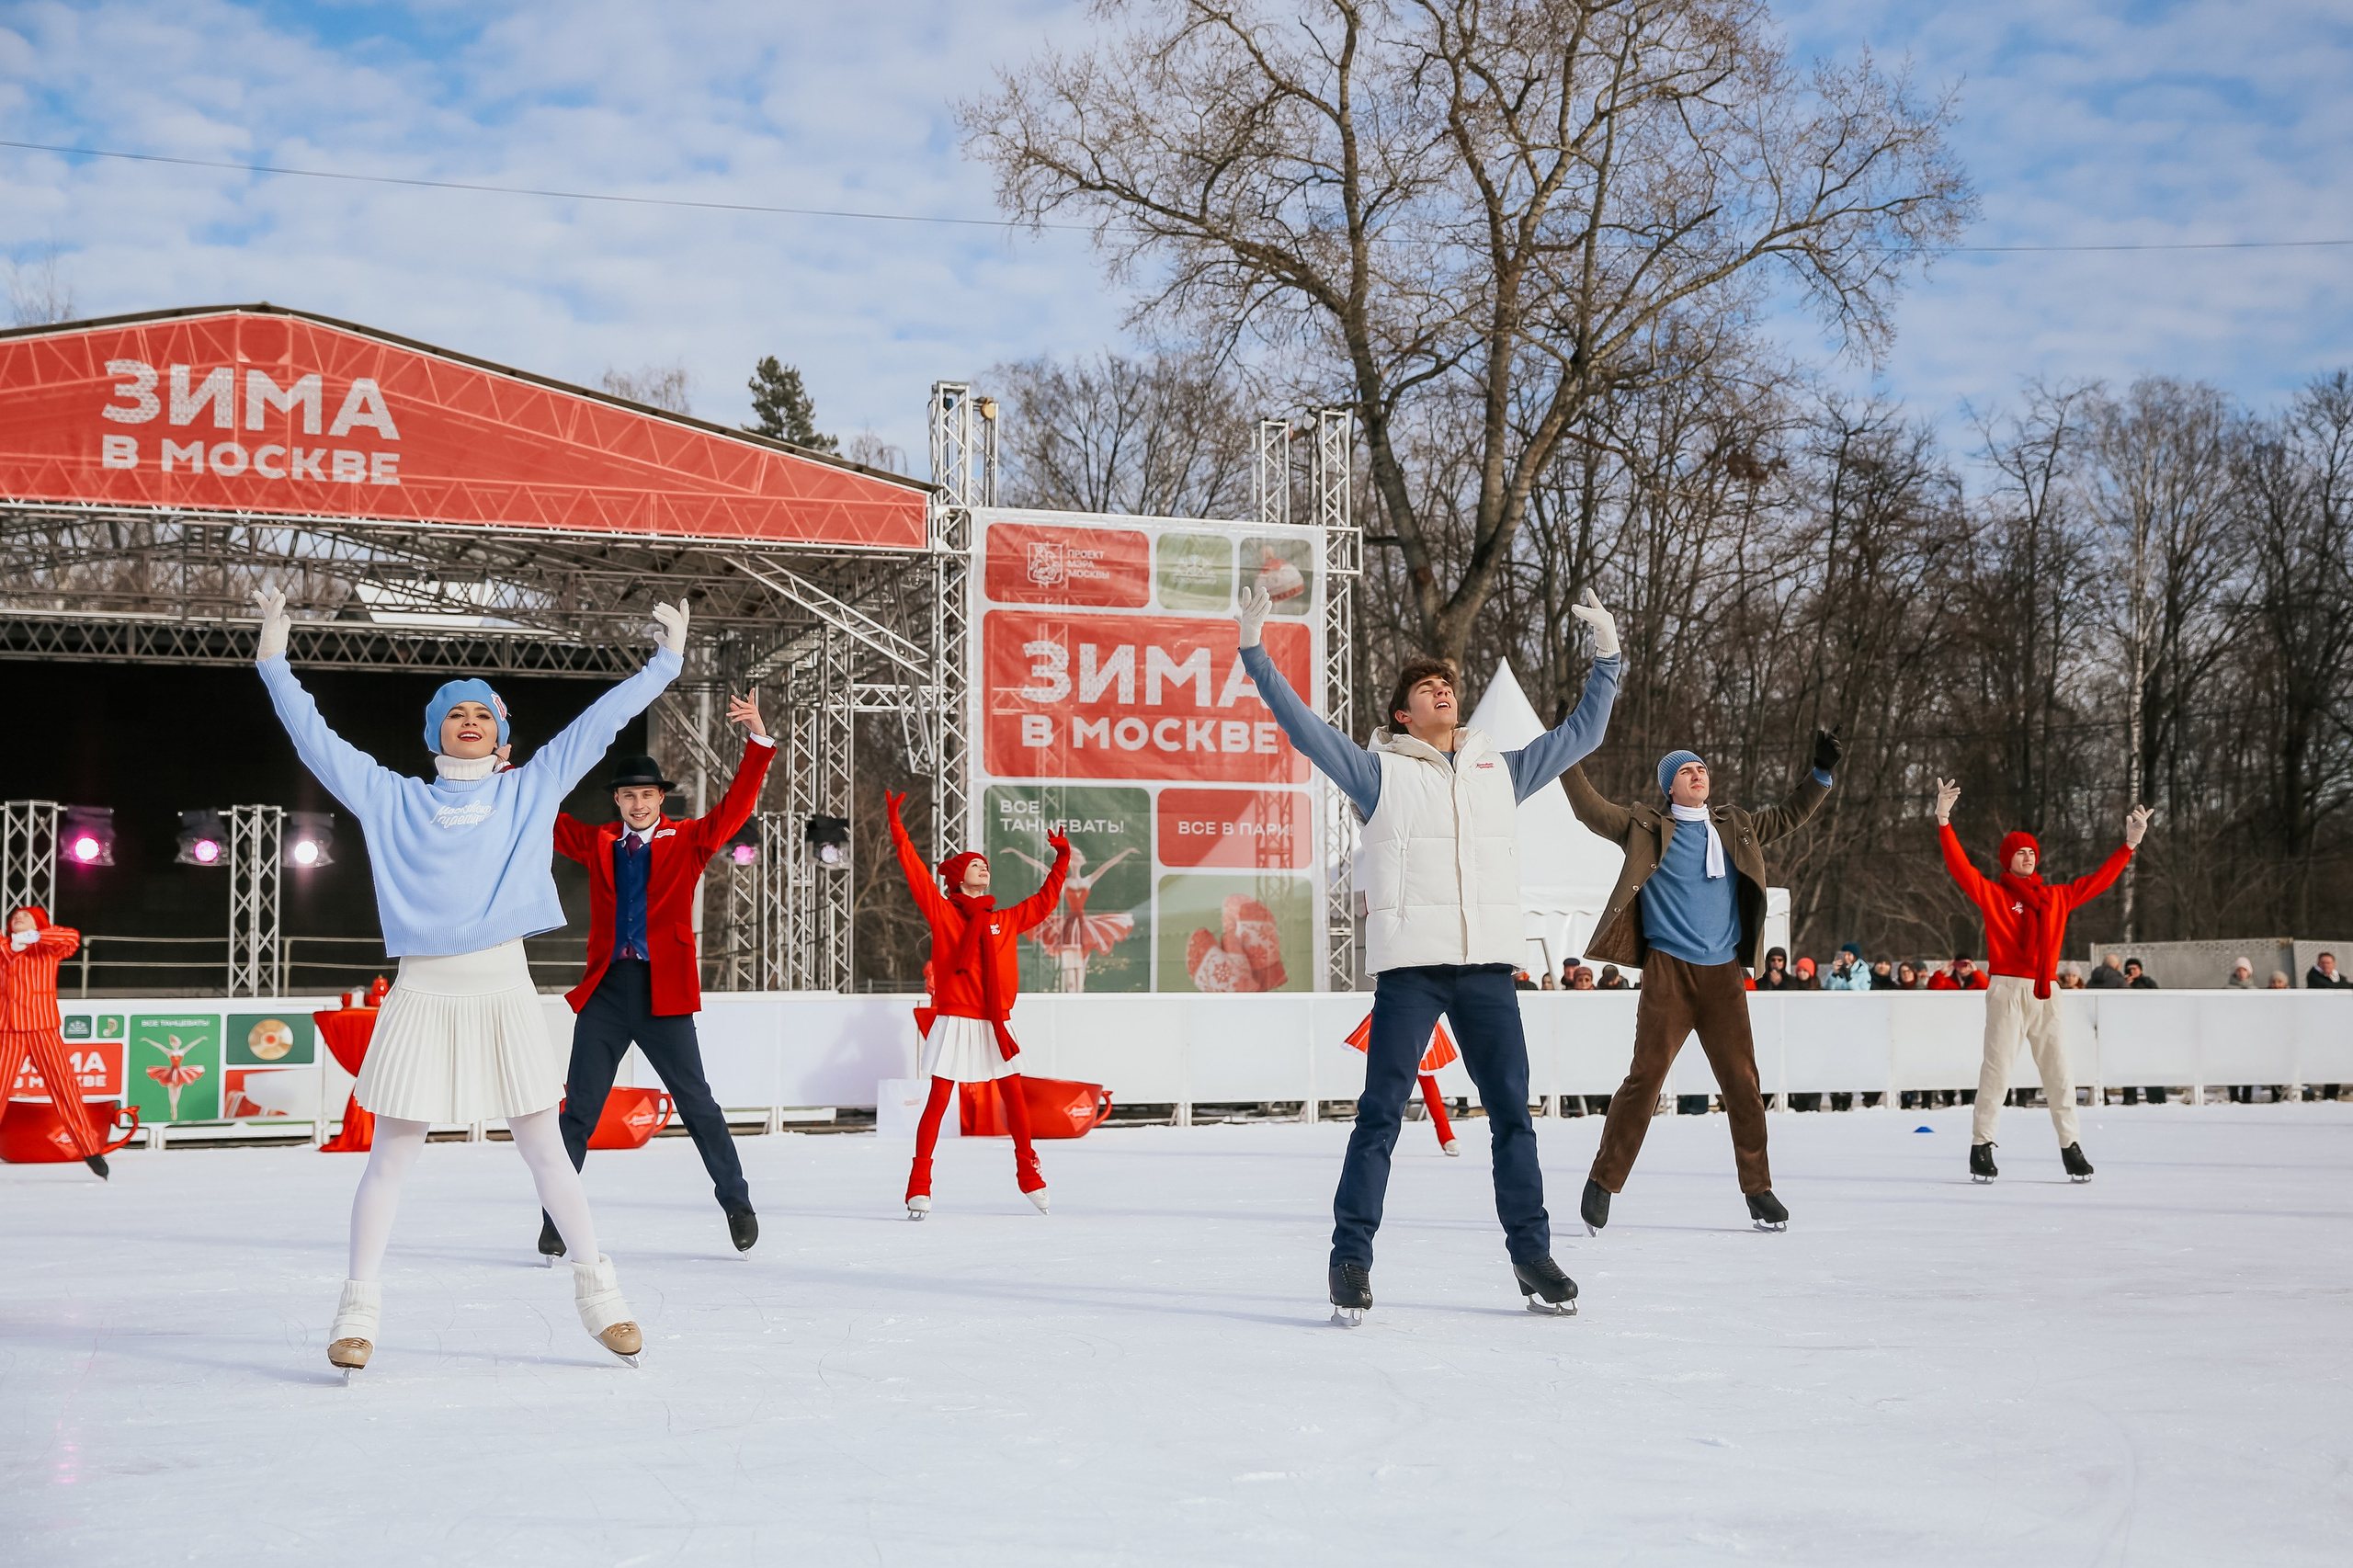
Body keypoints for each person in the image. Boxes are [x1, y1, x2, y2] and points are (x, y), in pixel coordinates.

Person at [253, 585, 686, 1373]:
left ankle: (600, 1293)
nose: (472, 720)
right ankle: (358, 1307)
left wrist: (666, 663)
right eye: (456, 712)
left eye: (485, 712)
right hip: (422, 991)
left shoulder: (528, 789)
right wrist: (276, 664)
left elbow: (598, 726)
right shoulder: (392, 798)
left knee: (546, 1148)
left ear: (502, 735)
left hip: (503, 990)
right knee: (391, 1155)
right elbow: (316, 741)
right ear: (434, 733)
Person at [1238, 583, 1621, 1322]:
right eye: (1426, 686)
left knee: (1514, 1114)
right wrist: (1256, 653)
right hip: (1411, 973)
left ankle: (1530, 1254)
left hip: (1487, 972)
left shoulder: (1499, 770)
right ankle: (1350, 1257)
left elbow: (1583, 733)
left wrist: (1607, 655)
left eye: (1447, 683)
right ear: (1402, 714)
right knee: (1380, 1113)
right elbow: (1304, 729)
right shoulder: (1377, 773)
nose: (1443, 690)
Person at [1566, 729, 1841, 1234]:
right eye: (1686, 771)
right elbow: (1589, 808)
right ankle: (1603, 1182)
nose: (1699, 775)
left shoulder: (1734, 825)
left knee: (1742, 1084)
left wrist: (1820, 774)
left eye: (1702, 768)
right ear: (1670, 787)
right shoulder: (1644, 825)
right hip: (1669, 972)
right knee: (1645, 1079)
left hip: (1723, 976)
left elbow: (1787, 815)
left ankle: (1759, 1191)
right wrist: (1567, 752)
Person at [536, 694, 776, 1264]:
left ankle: (738, 1204)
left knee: (697, 1103)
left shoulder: (689, 839)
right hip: (607, 992)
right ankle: (554, 1219)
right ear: (616, 800)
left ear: (660, 799)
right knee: (578, 1112)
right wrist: (502, 771)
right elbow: (540, 815)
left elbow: (737, 808)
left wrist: (759, 744)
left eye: (647, 794)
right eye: (628, 795)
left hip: (664, 991)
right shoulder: (598, 842)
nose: (638, 803)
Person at [1934, 777, 2150, 1185]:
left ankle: (2071, 1147)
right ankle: (1982, 1146)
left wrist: (2129, 845)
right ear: (2008, 860)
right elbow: (1960, 866)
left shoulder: (2056, 897)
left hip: (2046, 991)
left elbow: (2101, 881)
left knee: (2059, 1073)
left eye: (2033, 851)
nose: (2028, 857)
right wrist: (1944, 819)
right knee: (1997, 1071)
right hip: (2007, 990)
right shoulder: (1996, 895)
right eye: (2020, 852)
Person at [886, 792, 1070, 1218]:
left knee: (1014, 1098)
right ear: (957, 877)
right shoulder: (945, 913)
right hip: (956, 1020)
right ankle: (919, 1182)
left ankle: (1028, 1171)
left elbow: (1044, 901)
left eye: (985, 863)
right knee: (938, 1100)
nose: (983, 867)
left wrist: (1060, 860)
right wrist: (898, 830)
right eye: (974, 863)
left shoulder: (1004, 919)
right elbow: (914, 872)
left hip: (995, 1020)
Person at [3, 906, 109, 1178]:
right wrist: (13, 944)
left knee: (65, 1089)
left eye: (24, 916)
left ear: (38, 923)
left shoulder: (48, 947)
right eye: (14, 917)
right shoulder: (3, 949)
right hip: (7, 1030)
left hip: (43, 1028)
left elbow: (71, 938)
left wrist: (34, 937)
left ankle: (89, 1149)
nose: (18, 918)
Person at [1003, 842, 1138, 992]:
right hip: (1069, 926)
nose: (1075, 858)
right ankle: (1071, 996)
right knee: (1070, 973)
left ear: (1082, 860)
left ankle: (1078, 999)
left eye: (1077, 855)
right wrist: (1016, 851)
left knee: (1081, 971)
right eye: (1072, 856)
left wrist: (1126, 852)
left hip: (1083, 926)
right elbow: (1039, 866)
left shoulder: (1088, 879)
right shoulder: (1064, 881)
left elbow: (1108, 865)